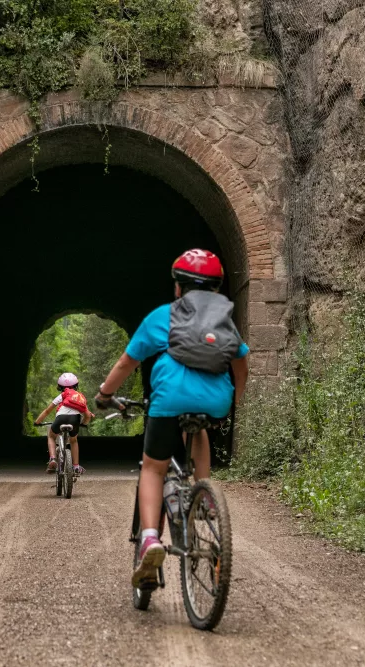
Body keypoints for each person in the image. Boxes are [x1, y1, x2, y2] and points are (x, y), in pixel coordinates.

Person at [96, 249, 249, 587]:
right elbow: (241, 366)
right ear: (217, 290)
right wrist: (232, 404)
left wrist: (105, 394)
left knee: (153, 467)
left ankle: (150, 537)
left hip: (169, 400)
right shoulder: (225, 321)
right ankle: (203, 496)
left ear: (178, 288)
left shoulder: (162, 316)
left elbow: (126, 364)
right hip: (215, 401)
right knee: (198, 430)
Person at [34, 373, 92, 475]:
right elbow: (87, 415)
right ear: (76, 386)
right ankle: (76, 466)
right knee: (73, 441)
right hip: (75, 420)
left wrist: (37, 422)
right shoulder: (80, 397)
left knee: (51, 436)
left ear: (60, 387)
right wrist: (83, 423)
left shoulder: (62, 395)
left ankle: (52, 459)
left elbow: (47, 411)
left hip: (60, 418)